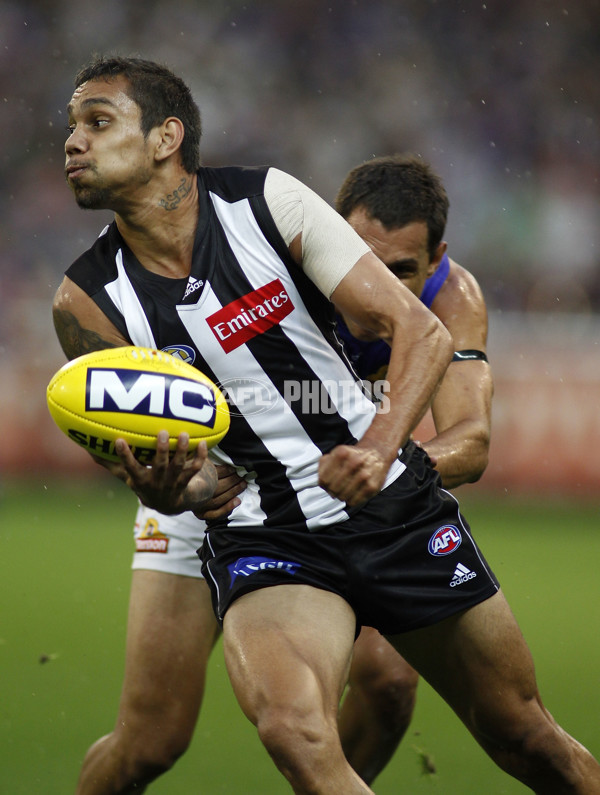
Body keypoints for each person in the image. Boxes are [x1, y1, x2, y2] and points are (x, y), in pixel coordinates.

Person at [53, 55, 600, 794]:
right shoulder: (84, 303)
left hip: (384, 500)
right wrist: (178, 485)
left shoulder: (267, 201)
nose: (73, 142)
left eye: (98, 121)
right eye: (71, 126)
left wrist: (379, 452)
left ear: (165, 137)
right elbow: (180, 473)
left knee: (524, 735)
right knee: (270, 729)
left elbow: (425, 338)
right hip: (261, 526)